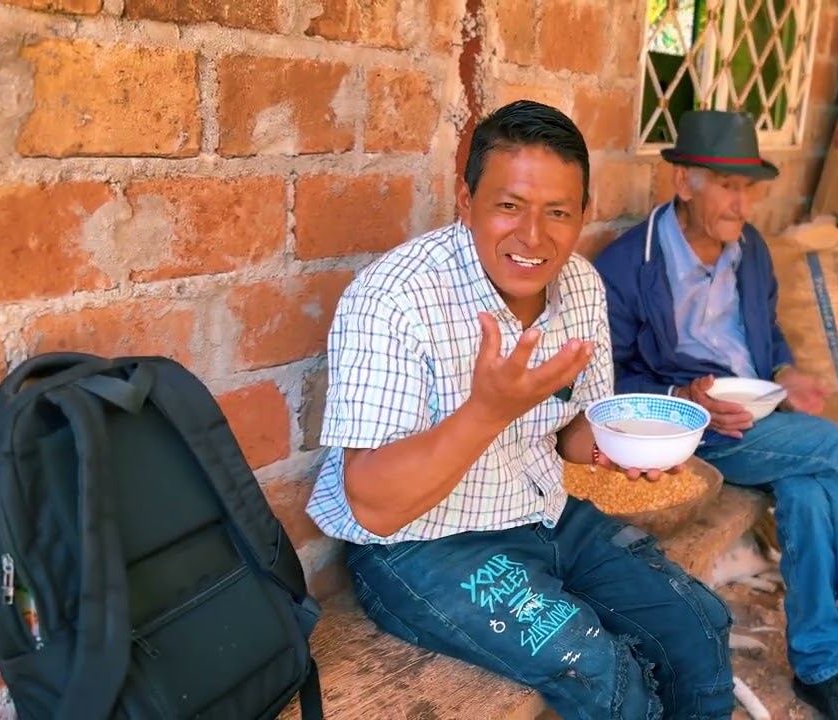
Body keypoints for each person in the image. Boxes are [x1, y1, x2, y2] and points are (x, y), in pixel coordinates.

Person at [306, 100, 735, 720]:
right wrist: (486, 411)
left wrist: (620, 447)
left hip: (542, 513)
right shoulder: (393, 298)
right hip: (421, 547)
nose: (534, 237)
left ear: (582, 214)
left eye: (557, 212)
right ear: (466, 199)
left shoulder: (582, 285)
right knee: (599, 667)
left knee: (697, 624)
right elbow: (374, 505)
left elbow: (570, 433)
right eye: (509, 206)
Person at [593, 110, 838, 720]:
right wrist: (685, 400)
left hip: (760, 418)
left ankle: (819, 668)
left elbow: (763, 335)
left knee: (809, 490)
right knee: (831, 449)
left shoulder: (751, 252)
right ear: (684, 183)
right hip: (695, 430)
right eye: (726, 185)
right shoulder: (624, 268)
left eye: (748, 188)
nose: (741, 204)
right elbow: (608, 380)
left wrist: (784, 374)